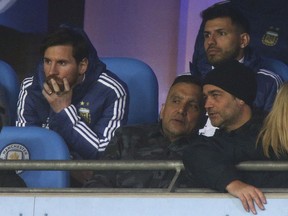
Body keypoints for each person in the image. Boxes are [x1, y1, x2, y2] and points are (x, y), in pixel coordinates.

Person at [16, 25, 128, 185]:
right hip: (39, 178)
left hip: (90, 184)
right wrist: (68, 166)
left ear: (82, 66)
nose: (51, 71)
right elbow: (25, 148)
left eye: (61, 63)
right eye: (47, 61)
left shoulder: (112, 90)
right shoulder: (30, 87)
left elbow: (105, 153)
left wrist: (64, 111)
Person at [84, 75, 205, 188]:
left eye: (192, 106)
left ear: (202, 120)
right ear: (163, 109)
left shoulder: (206, 151)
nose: (181, 110)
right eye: (175, 101)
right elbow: (97, 184)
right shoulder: (126, 137)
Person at [183, 60, 269, 215]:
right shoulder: (216, 141)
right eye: (205, 97)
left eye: (216, 95)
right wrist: (232, 183)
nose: (207, 105)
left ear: (240, 98)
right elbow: (194, 153)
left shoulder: (272, 131)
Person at [190, 3, 283, 136]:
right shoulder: (191, 80)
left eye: (221, 33)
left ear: (243, 40)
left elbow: (271, 139)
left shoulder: (268, 82)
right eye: (207, 35)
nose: (211, 41)